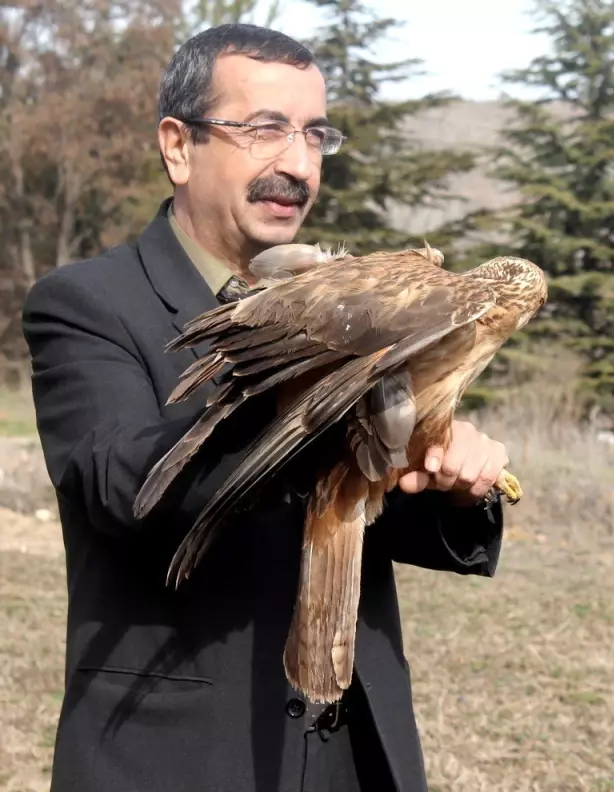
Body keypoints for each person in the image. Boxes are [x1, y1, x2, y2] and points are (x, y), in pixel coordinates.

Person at [21, 23, 511, 792]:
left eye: (316, 134)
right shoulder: (86, 304)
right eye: (264, 130)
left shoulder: (352, 303)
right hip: (178, 760)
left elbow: (356, 495)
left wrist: (451, 481)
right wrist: (299, 382)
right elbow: (121, 484)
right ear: (178, 146)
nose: (297, 164)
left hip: (354, 757)